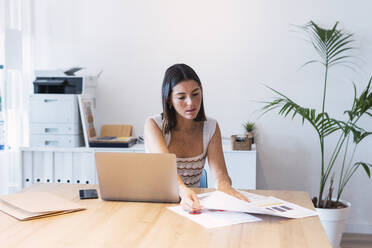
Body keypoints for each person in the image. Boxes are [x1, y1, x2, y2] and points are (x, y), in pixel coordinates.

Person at [144, 64, 249, 211]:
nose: (191, 103)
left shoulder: (211, 127)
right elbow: (166, 171)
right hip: (157, 205)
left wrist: (225, 188)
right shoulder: (154, 125)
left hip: (193, 205)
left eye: (195, 94)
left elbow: (220, 175)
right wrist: (183, 190)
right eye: (181, 97)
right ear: (169, 100)